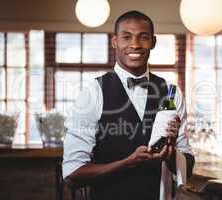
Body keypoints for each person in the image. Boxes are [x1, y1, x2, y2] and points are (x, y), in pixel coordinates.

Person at [63, 10, 194, 200]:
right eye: (126, 37)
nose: (135, 44)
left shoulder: (171, 92)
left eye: (143, 37)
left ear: (153, 42)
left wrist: (170, 153)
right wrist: (127, 162)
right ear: (115, 41)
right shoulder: (92, 93)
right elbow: (72, 175)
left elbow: (187, 168)